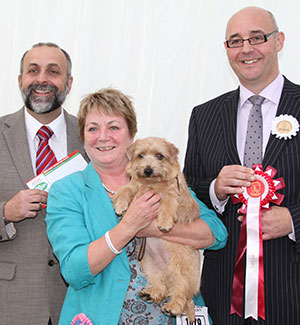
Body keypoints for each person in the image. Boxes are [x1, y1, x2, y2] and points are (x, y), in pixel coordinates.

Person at [46, 88, 228, 324]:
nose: (103, 136)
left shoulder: (163, 177)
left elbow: (217, 233)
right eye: (93, 128)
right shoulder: (67, 191)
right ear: (82, 136)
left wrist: (154, 227)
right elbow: (74, 270)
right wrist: (128, 226)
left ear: (131, 134)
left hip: (174, 314)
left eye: (114, 127)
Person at [184, 6, 300, 325]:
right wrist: (214, 189)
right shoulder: (203, 116)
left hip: (292, 291)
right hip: (222, 295)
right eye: (235, 41)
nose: (246, 48)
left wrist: (293, 220)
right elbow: (187, 193)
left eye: (257, 37)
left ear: (279, 41)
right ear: (226, 49)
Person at [0, 42, 87, 324]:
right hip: (11, 301)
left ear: (69, 83)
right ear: (19, 80)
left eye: (53, 71)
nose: (42, 79)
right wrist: (5, 212)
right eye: (33, 70)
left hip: (79, 300)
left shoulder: (93, 136)